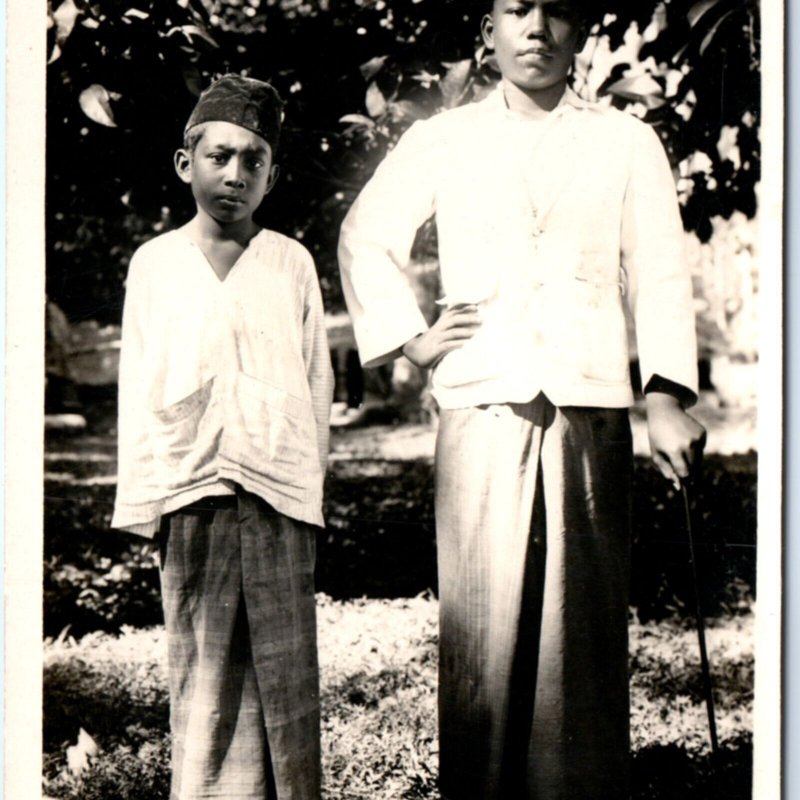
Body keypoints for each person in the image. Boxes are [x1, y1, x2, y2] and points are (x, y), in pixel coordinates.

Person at [338, 1, 706, 797]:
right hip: (483, 398)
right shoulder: (443, 138)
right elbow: (365, 235)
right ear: (490, 31)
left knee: (581, 624)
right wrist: (412, 338)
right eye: (516, 9)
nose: (536, 28)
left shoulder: (625, 140)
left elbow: (661, 270)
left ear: (580, 33)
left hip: (588, 400)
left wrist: (667, 393)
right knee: (484, 626)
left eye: (557, 11)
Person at [112, 74, 333, 800]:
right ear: (186, 164)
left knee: (284, 670)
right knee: (205, 676)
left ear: (273, 175)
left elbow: (314, 380)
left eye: (253, 160)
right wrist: (146, 499)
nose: (234, 174)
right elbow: (139, 383)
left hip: (276, 490)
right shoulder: (155, 263)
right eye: (219, 156)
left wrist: (308, 490)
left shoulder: (291, 263)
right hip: (192, 491)